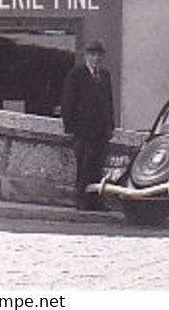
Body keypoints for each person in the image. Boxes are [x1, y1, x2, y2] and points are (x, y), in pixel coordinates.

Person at [60, 39, 115, 211]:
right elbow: (68, 102)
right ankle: (81, 201)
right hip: (83, 131)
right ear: (86, 56)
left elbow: (108, 102)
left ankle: (97, 201)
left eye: (99, 55)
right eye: (92, 55)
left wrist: (110, 126)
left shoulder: (105, 75)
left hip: (101, 132)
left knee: (98, 168)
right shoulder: (76, 74)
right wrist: (69, 127)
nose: (96, 59)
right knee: (84, 166)